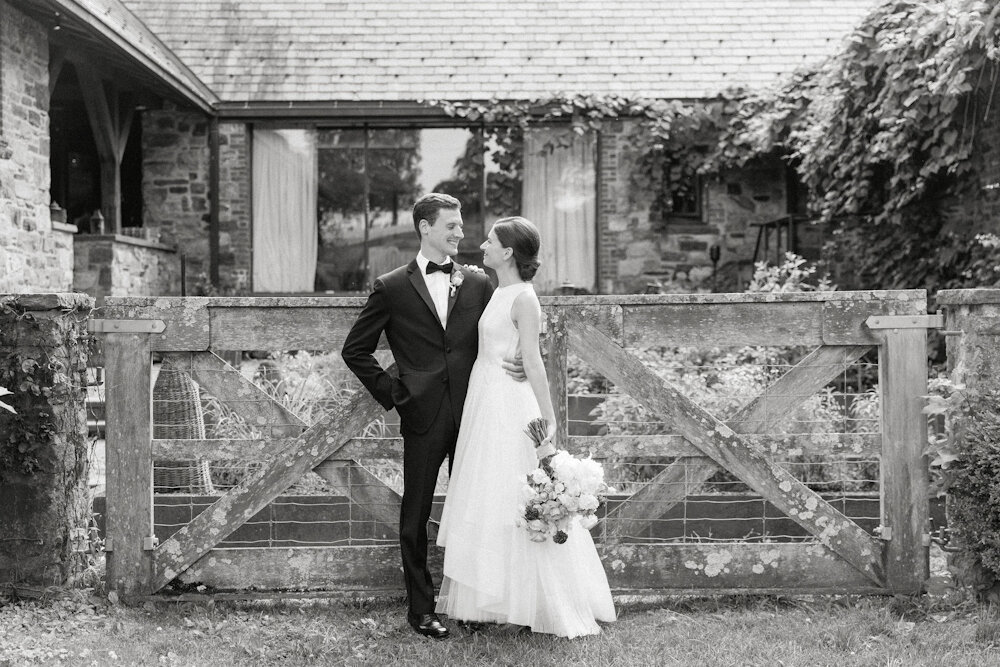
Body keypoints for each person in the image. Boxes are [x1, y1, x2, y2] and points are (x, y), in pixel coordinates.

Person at [342, 193, 520, 640]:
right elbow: (355, 350)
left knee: (477, 510)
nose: (461, 234)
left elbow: (501, 333)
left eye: (460, 226)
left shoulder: (479, 284)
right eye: (452, 226)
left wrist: (516, 361)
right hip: (421, 415)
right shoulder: (392, 287)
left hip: (475, 414)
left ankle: (474, 605)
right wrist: (396, 393)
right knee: (415, 514)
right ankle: (421, 609)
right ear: (425, 228)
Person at [435, 216, 616, 638]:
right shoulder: (498, 290)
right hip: (485, 396)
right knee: (486, 493)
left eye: (490, 241)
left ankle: (534, 600)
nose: (481, 245)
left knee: (513, 493)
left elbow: (532, 360)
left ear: (509, 252)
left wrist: (548, 415)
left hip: (506, 401)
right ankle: (490, 597)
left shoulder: (525, 300)